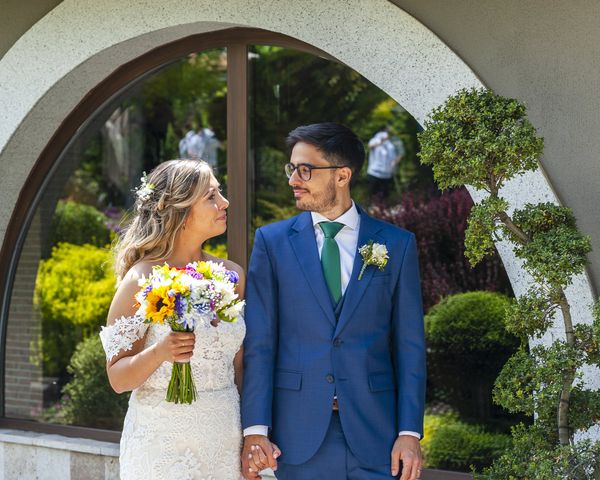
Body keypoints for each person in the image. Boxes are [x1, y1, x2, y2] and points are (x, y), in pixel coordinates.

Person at [241, 123, 426, 480]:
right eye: (292, 168)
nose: (294, 179)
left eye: (305, 170)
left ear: (342, 175)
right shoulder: (272, 242)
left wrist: (409, 431)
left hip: (378, 436)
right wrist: (256, 431)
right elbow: (260, 344)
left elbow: (409, 346)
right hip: (296, 435)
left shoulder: (397, 244)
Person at [100, 159, 248, 479]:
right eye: (211, 196)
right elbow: (118, 378)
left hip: (223, 441)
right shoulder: (140, 279)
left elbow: (240, 367)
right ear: (179, 211)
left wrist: (251, 438)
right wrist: (161, 351)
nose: (224, 203)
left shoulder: (233, 276)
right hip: (161, 448)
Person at [366, 126, 401, 199]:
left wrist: (394, 162)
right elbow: (370, 146)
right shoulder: (375, 140)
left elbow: (394, 157)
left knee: (384, 197)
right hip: (374, 173)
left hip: (386, 175)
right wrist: (381, 142)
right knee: (373, 196)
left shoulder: (390, 145)